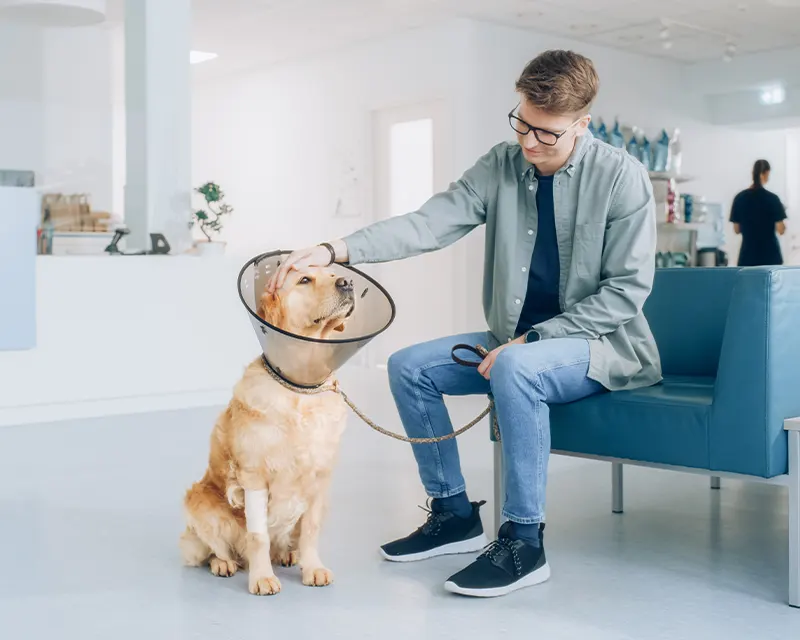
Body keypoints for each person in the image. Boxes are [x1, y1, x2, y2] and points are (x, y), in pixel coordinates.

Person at [267, 49, 662, 598]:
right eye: (522, 122)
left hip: (599, 344)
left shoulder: (622, 177)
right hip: (513, 339)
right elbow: (428, 223)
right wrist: (336, 250)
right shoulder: (501, 164)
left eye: (545, 133)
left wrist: (533, 339)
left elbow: (626, 292)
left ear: (581, 124)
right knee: (409, 368)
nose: (528, 142)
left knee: (518, 367)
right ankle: (453, 514)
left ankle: (525, 541)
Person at [730, 159, 787, 266]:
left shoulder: (739, 198)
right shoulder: (773, 199)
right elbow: (781, 230)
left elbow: (736, 230)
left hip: (747, 257)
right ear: (765, 174)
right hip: (770, 257)